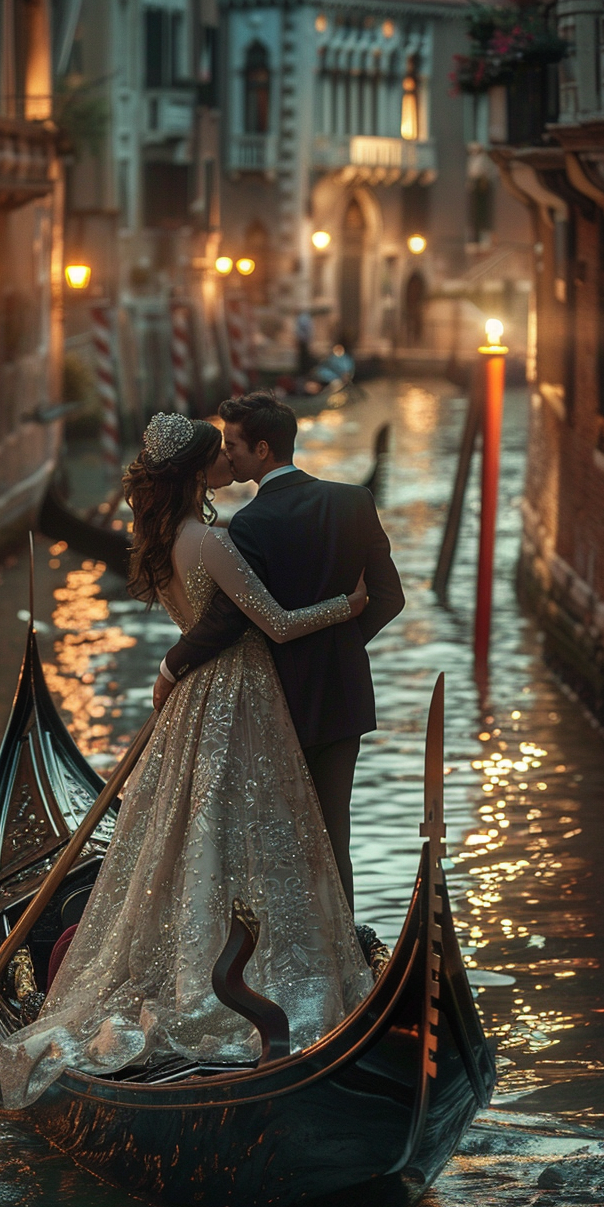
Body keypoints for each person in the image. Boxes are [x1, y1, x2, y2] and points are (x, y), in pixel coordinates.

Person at [0, 413, 374, 1109]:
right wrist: (345, 608)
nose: (230, 460)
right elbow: (279, 625)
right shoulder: (214, 541)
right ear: (200, 471)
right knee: (258, 835)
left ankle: (209, 960)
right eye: (219, 454)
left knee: (193, 837)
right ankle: (245, 983)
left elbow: (202, 624)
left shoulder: (166, 541)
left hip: (192, 702)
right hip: (239, 699)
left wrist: (171, 668)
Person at [154, 391, 404, 912]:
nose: (227, 455)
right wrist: (338, 647)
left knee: (278, 835)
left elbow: (227, 621)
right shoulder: (353, 501)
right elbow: (388, 598)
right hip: (342, 694)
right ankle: (346, 951)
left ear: (262, 449)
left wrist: (171, 666)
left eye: (234, 445)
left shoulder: (248, 524)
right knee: (335, 830)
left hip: (276, 698)